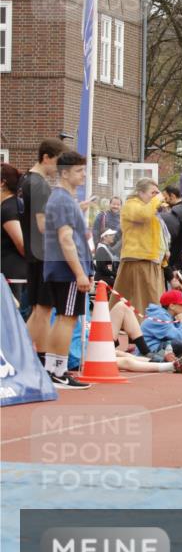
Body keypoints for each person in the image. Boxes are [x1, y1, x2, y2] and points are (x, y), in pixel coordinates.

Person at [42, 151, 93, 388]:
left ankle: (52, 369)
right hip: (67, 270)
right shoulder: (62, 199)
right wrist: (80, 272)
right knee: (67, 318)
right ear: (64, 173)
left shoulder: (62, 199)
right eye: (79, 171)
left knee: (63, 317)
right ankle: (58, 371)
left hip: (60, 268)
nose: (83, 175)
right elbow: (65, 239)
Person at [19, 138, 64, 357]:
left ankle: (30, 357)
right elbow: (42, 224)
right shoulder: (39, 185)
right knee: (44, 309)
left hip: (33, 252)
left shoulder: (25, 180)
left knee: (39, 309)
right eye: (57, 163)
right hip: (44, 254)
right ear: (46, 157)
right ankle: (31, 358)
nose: (58, 170)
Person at [112, 179, 167, 314]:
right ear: (140, 192)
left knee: (151, 300)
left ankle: (140, 328)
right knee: (145, 301)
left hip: (151, 259)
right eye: (152, 193)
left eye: (157, 193)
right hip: (138, 259)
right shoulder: (131, 205)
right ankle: (141, 329)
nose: (155, 196)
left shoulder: (150, 207)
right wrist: (157, 199)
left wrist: (165, 251)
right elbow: (143, 215)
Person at [141, 289, 182, 358]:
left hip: (160, 346)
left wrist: (180, 322)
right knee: (177, 345)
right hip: (150, 352)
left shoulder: (171, 315)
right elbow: (179, 338)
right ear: (172, 306)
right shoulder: (160, 316)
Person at [1, 163, 27, 302]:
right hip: (14, 275)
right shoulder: (14, 204)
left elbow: (21, 244)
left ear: (2, 183)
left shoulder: (8, 208)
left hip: (12, 277)